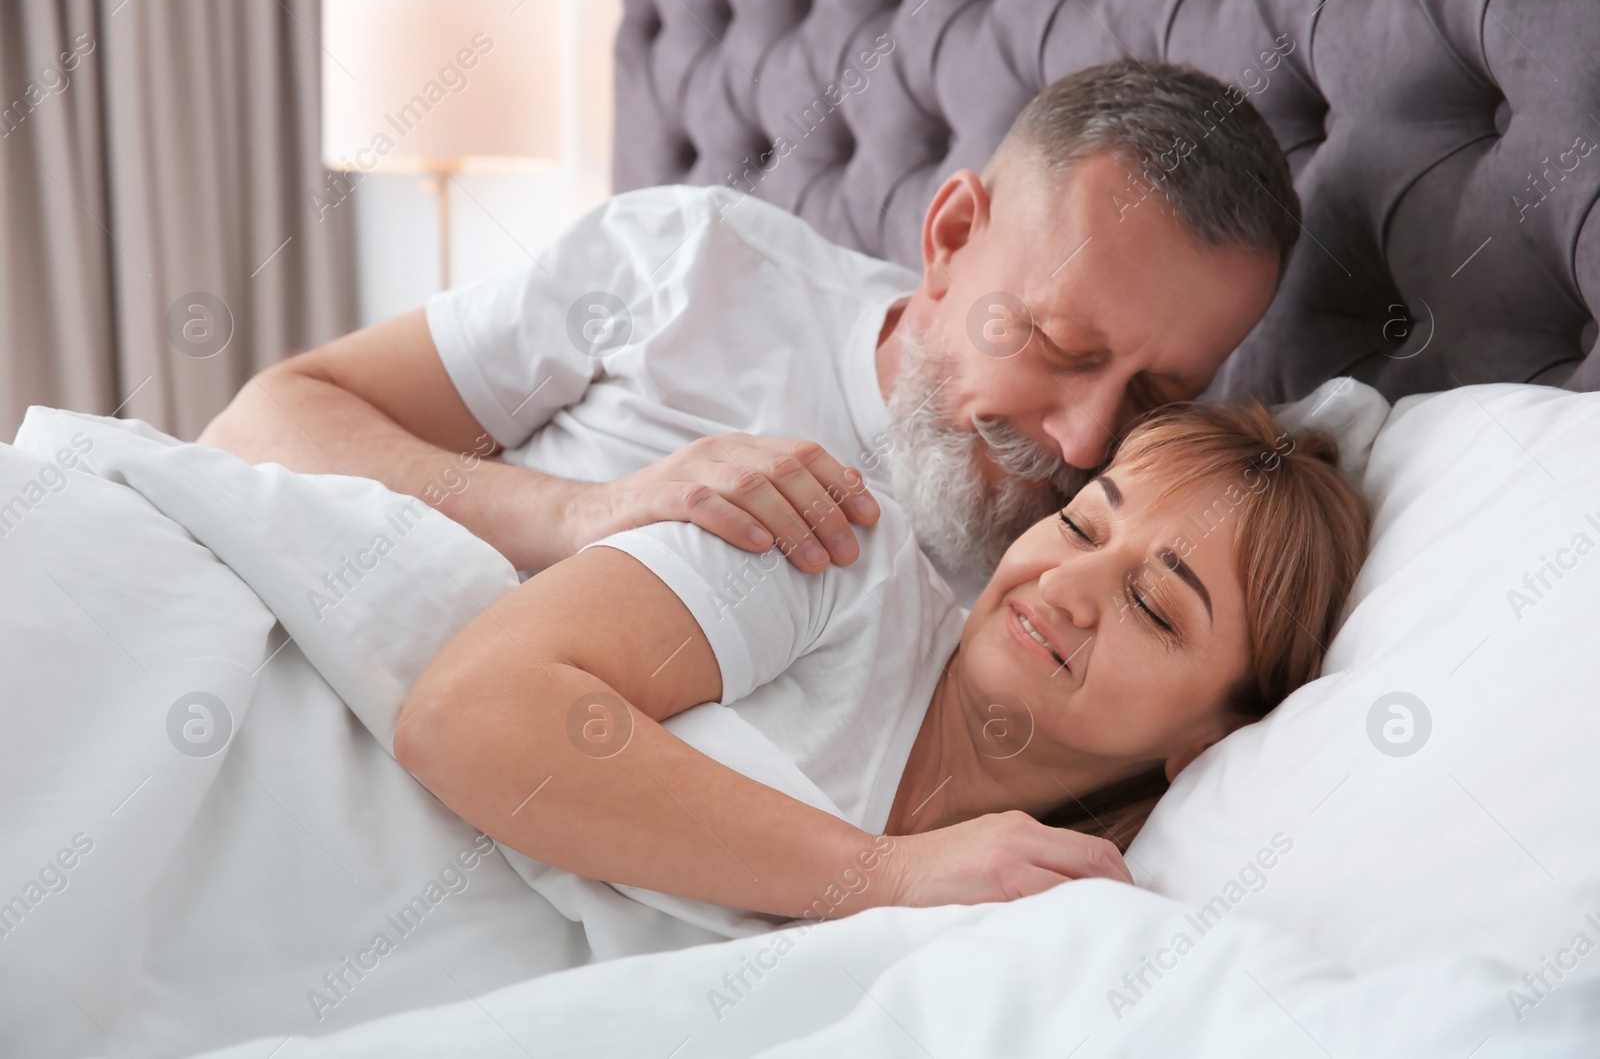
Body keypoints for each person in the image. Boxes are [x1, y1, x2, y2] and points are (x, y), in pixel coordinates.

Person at [199, 60, 1299, 604]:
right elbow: (265, 422)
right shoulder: (693, 263)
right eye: (1062, 344)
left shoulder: (1098, 564)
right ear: (953, 233)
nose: (1082, 441)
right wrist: (582, 514)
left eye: (1159, 392)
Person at [394, 401, 1369, 920]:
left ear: (1210, 736)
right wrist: (881, 873)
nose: (1063, 587)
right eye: (1077, 524)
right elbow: (468, 712)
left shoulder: (1039, 908)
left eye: (1153, 605)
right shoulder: (832, 551)